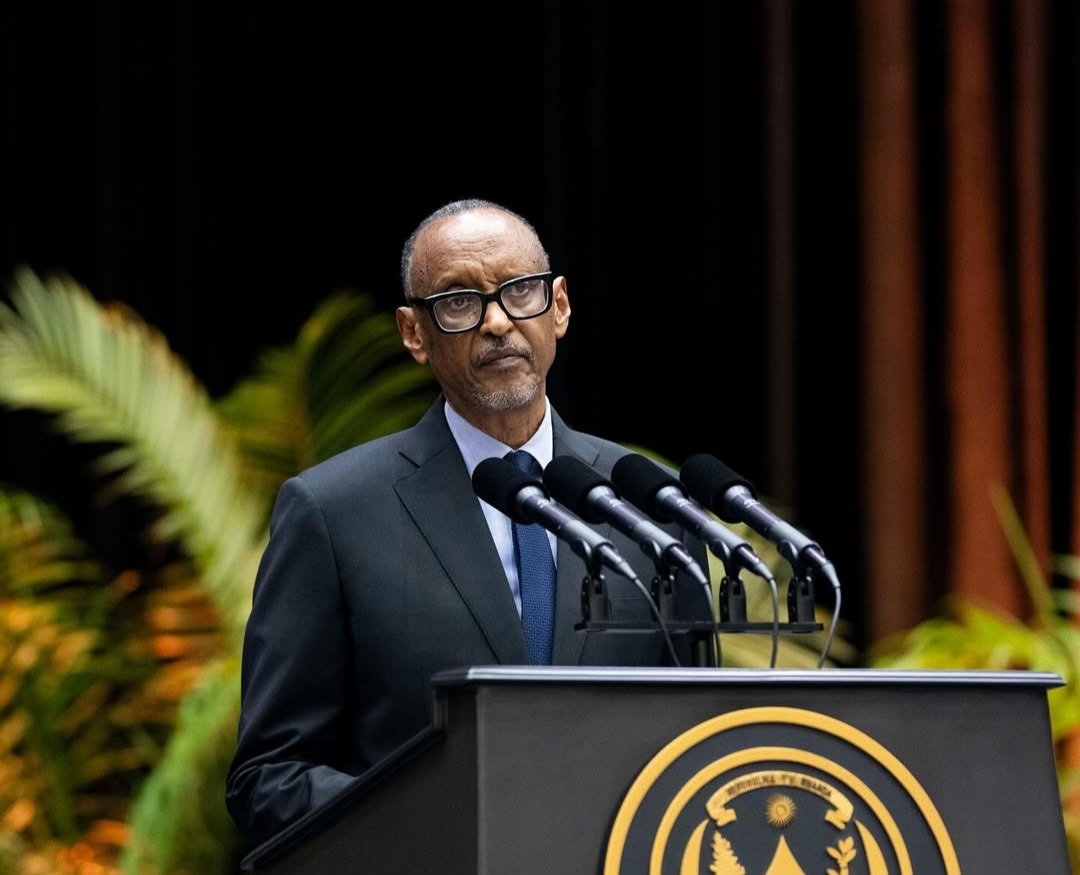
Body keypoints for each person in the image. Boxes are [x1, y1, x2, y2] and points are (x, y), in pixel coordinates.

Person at [224, 198, 713, 848]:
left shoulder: (651, 504)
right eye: (459, 302)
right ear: (414, 333)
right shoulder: (333, 513)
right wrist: (436, 823)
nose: (498, 322)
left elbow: (702, 747)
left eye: (521, 291)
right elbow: (270, 777)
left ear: (559, 306)